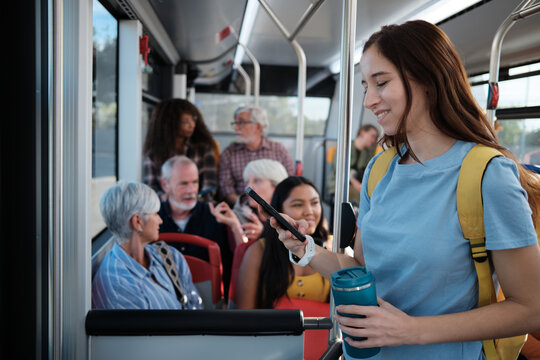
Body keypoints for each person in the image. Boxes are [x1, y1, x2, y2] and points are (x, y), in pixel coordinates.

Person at [269, 20, 540, 359]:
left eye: (381, 83)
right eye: (366, 86)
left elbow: (530, 308)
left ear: (427, 80)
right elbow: (367, 275)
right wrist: (306, 249)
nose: (368, 100)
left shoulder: (487, 175)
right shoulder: (379, 169)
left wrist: (411, 330)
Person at [92, 181, 203, 310]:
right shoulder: (119, 287)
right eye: (155, 214)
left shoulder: (170, 256)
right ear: (137, 222)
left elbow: (195, 305)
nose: (160, 220)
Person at [235, 176, 330, 309]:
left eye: (315, 203)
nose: (309, 211)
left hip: (324, 330)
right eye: (298, 204)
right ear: (280, 210)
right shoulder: (259, 250)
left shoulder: (335, 247)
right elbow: (244, 313)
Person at [158, 155, 234, 296]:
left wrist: (235, 227)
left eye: (195, 182)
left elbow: (230, 265)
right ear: (165, 185)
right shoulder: (153, 218)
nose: (191, 190)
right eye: (183, 184)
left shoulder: (215, 215)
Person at [143, 98, 219, 201]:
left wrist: (194, 200)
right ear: (170, 124)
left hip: (199, 206)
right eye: (185, 121)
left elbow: (210, 186)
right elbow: (151, 189)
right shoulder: (153, 154)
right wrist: (173, 201)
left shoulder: (203, 149)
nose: (192, 125)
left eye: (193, 119)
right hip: (165, 209)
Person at [218, 106, 294, 206]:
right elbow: (226, 189)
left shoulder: (279, 150)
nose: (236, 128)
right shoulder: (229, 153)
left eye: (241, 123)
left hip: (275, 208)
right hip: (242, 210)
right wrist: (247, 206)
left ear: (258, 127)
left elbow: (289, 184)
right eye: (235, 123)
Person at [211, 158, 289, 244]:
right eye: (247, 182)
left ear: (276, 186)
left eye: (256, 181)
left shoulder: (290, 215)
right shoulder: (235, 215)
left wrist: (264, 235)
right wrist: (236, 227)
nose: (247, 188)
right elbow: (241, 256)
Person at [328, 124, 380, 203]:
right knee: (365, 199)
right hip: (341, 184)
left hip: (358, 183)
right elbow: (340, 169)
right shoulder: (343, 147)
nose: (373, 140)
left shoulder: (368, 152)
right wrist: (355, 183)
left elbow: (368, 170)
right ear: (362, 132)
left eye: (375, 138)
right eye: (372, 136)